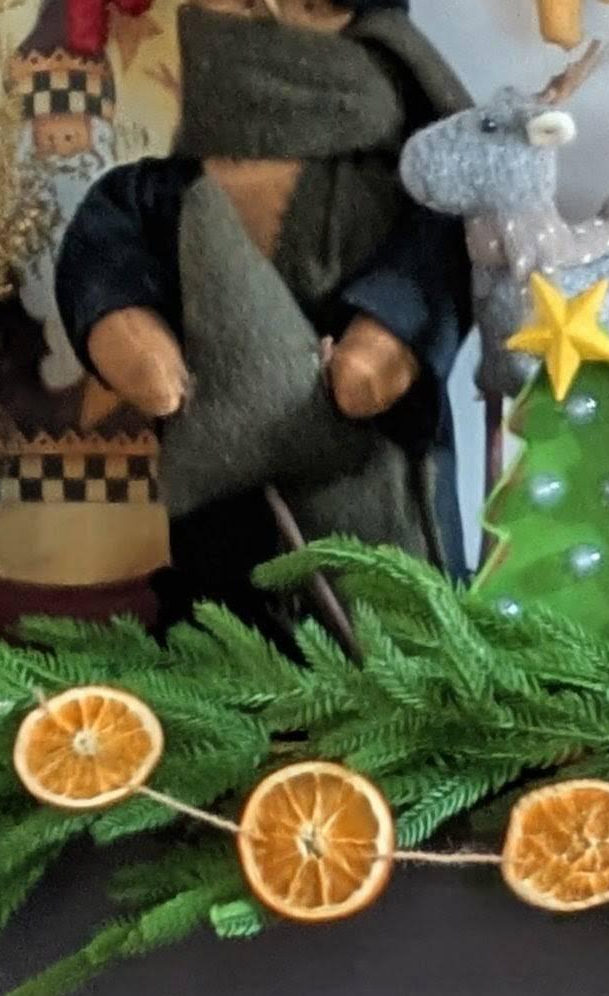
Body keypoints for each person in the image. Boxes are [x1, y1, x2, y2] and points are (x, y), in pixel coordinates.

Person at [56, 0, 475, 628]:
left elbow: (437, 257)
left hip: (382, 505)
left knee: (390, 601)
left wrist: (386, 337)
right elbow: (110, 240)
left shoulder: (405, 184)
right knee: (226, 605)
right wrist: (130, 336)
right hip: (220, 532)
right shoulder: (169, 190)